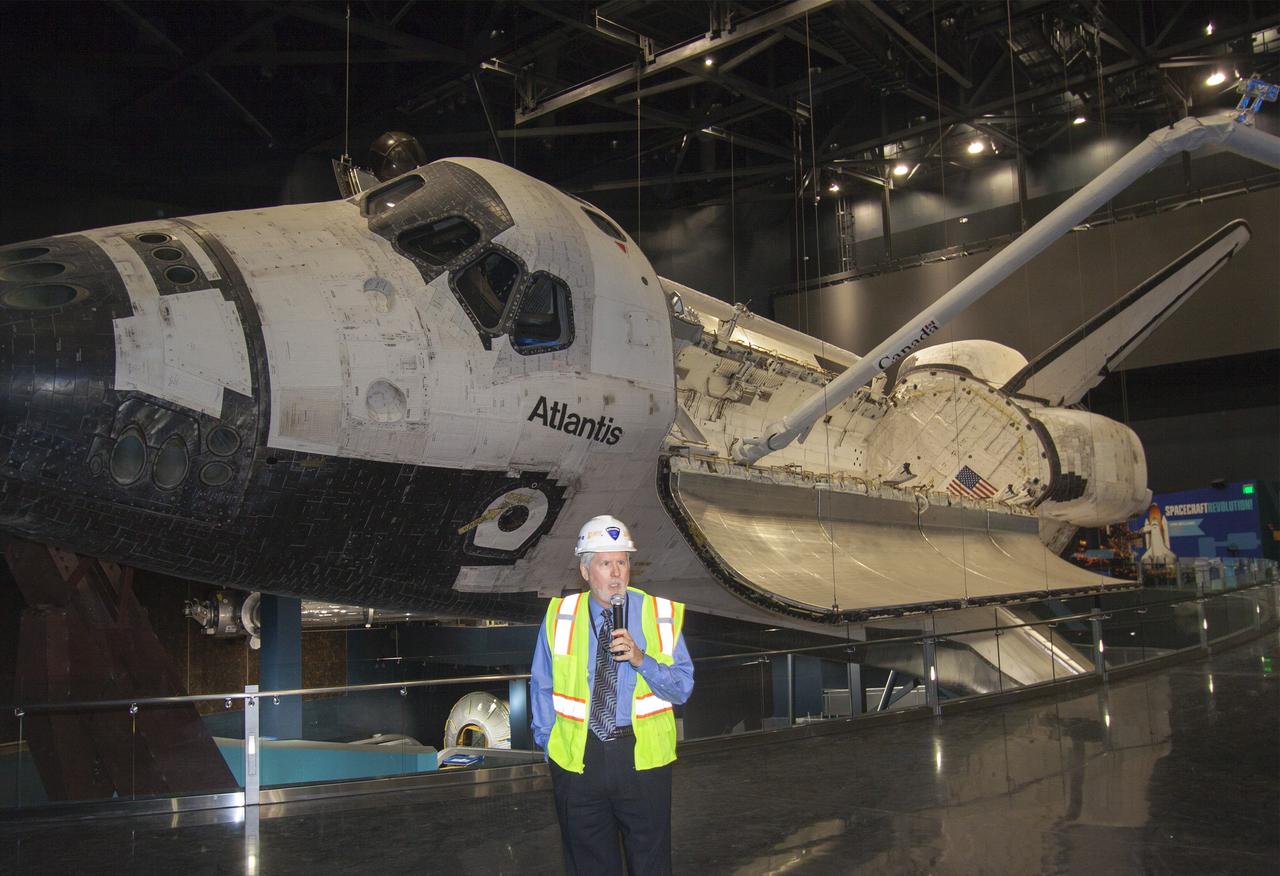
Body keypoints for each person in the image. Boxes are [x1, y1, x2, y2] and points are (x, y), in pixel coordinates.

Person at [530, 515, 694, 876]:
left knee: (650, 863)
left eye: (622, 562)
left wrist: (641, 660)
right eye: (606, 563)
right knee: (588, 865)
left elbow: (681, 688)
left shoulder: (659, 614)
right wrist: (550, 746)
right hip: (578, 761)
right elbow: (541, 684)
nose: (616, 573)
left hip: (642, 760)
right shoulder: (560, 616)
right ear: (586, 571)